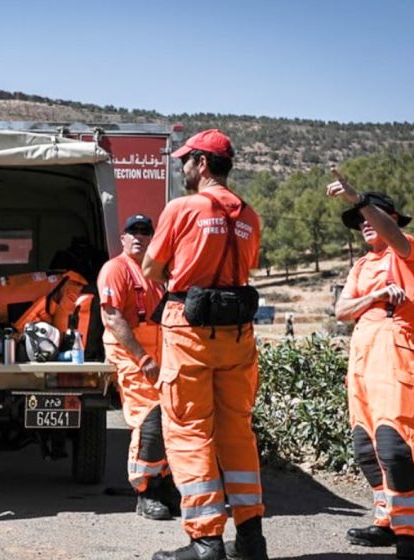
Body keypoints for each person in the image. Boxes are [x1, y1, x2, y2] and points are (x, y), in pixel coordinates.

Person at [143, 130, 267, 560]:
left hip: (189, 332)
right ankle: (251, 537)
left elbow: (151, 268)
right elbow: (245, 266)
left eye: (185, 161)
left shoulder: (182, 208)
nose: (182, 168)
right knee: (237, 432)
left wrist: (183, 271)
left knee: (190, 431)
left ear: (202, 163)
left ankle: (206, 541)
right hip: (238, 335)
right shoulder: (250, 216)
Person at [327, 172, 414, 560]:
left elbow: (392, 233)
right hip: (362, 359)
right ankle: (386, 521)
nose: (366, 223)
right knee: (365, 448)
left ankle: (409, 533)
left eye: (373, 216)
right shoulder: (361, 267)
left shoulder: (407, 250)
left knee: (395, 445)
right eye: (361, 221)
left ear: (391, 219)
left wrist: (358, 198)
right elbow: (341, 310)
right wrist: (376, 294)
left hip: (397, 352)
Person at [97, 213, 177, 520]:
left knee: (172, 419)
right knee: (150, 418)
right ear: (123, 238)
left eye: (145, 231)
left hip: (160, 355)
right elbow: (114, 318)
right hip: (132, 355)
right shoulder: (115, 269)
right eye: (133, 231)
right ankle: (145, 492)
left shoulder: (156, 273)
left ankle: (165, 484)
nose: (139, 236)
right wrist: (143, 358)